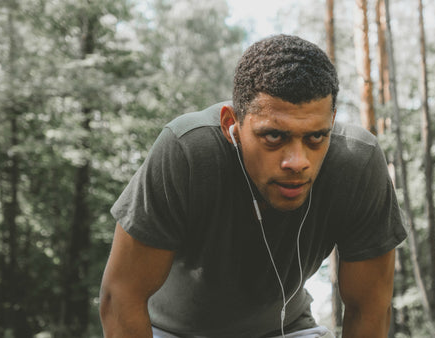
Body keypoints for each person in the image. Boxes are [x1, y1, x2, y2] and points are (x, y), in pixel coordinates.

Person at [99, 34, 407, 338]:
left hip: (288, 331)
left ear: (332, 119)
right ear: (230, 123)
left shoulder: (357, 163)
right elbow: (121, 298)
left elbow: (369, 310)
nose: (297, 162)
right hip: (169, 332)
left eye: (315, 137)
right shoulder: (188, 152)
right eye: (274, 136)